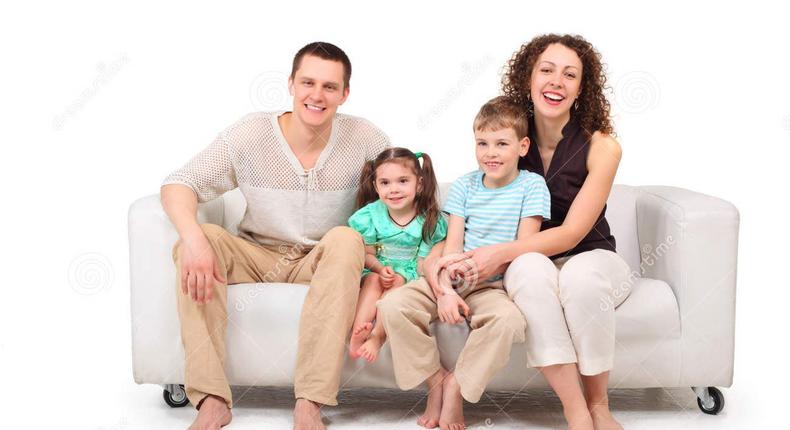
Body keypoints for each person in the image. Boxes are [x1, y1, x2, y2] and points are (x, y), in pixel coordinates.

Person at [160, 41, 390, 430]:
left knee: (346, 238)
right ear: (291, 84)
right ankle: (212, 399)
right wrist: (196, 238)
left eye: (330, 87)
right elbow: (179, 183)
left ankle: (311, 401)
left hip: (321, 261)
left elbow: (401, 194)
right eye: (308, 83)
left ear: (345, 93)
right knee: (194, 243)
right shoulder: (252, 133)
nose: (316, 96)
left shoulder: (366, 139)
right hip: (256, 252)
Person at [440, 34, 632, 430]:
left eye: (569, 74)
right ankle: (575, 407)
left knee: (579, 278)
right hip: (529, 258)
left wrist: (499, 253)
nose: (556, 81)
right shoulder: (508, 137)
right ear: (528, 78)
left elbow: (573, 233)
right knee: (527, 269)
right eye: (546, 70)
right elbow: (479, 198)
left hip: (590, 254)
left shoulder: (602, 146)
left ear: (582, 88)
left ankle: (599, 403)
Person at [378, 96, 551, 430]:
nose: (491, 152)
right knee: (393, 305)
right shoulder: (464, 186)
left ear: (523, 146)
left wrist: (481, 274)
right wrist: (444, 290)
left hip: (492, 284)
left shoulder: (532, 185)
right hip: (451, 278)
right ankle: (436, 382)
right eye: (482, 143)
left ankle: (457, 386)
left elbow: (524, 248)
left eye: (502, 143)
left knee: (508, 322)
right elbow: (451, 247)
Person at [346, 148, 446, 362]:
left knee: (397, 281)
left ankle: (377, 336)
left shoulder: (428, 219)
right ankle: (357, 332)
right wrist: (380, 269)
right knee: (373, 281)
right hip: (376, 266)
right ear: (376, 186)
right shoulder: (370, 215)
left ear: (419, 183)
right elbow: (366, 254)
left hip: (408, 271)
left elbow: (423, 261)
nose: (394, 190)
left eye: (402, 181)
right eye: (385, 183)